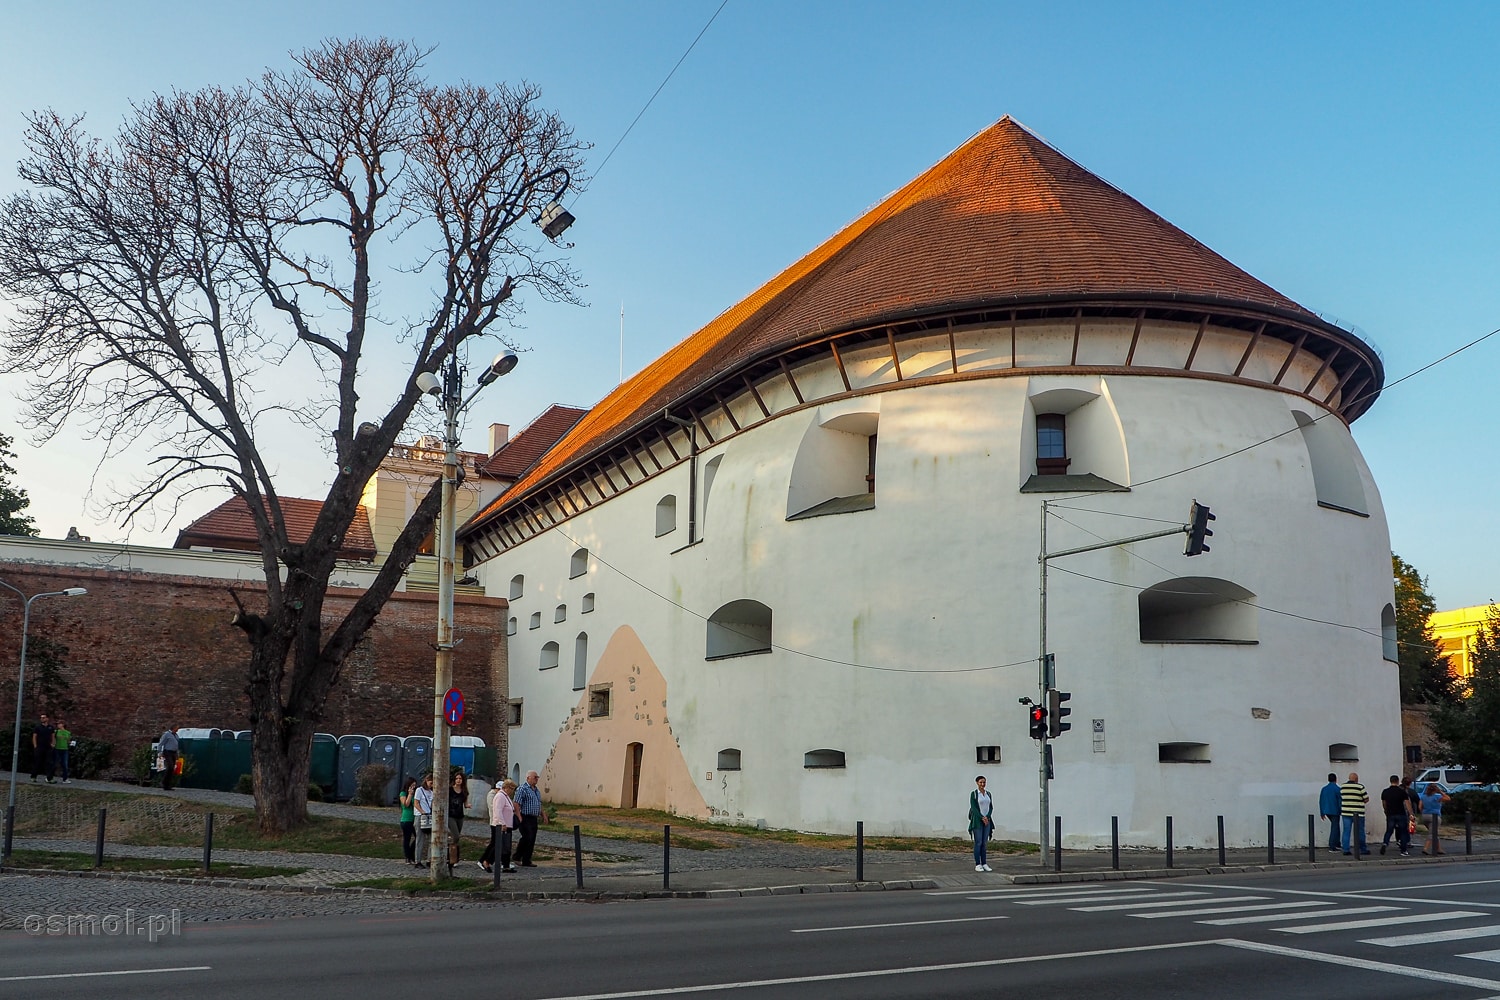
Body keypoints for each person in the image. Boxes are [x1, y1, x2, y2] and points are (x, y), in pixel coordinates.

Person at [480, 778, 519, 873]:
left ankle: (506, 865)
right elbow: (498, 811)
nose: (512, 791)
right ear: (507, 788)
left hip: (507, 825)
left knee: (506, 846)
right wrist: (502, 823)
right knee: (498, 845)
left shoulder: (505, 796)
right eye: (512, 789)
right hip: (500, 825)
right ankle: (487, 861)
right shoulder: (500, 796)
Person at [514, 769, 548, 867]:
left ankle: (527, 860)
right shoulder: (522, 789)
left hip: (534, 817)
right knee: (526, 837)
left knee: (532, 838)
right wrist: (519, 816)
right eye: (535, 777)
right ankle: (517, 856)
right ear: (528, 778)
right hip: (525, 816)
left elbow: (538, 804)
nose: (536, 779)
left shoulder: (536, 790)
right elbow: (516, 803)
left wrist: (543, 815)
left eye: (537, 777)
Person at [1379, 774, 1411, 856]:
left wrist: (1386, 811)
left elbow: (1384, 803)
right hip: (1401, 813)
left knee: (1389, 831)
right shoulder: (1402, 792)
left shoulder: (1385, 791)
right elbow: (1407, 804)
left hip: (1390, 814)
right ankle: (1403, 850)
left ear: (1390, 781)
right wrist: (1411, 813)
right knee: (1403, 832)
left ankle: (1385, 843)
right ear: (1397, 781)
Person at [968, 775, 994, 872]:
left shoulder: (988, 794)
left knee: (984, 843)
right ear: (977, 783)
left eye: (984, 782)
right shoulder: (974, 794)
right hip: (978, 821)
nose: (983, 784)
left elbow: (991, 807)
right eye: (981, 782)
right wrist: (981, 817)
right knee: (978, 842)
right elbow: (974, 808)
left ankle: (984, 863)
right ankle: (977, 863)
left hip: (987, 821)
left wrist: (987, 817)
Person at [1340, 772, 1369, 856]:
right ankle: (1362, 849)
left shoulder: (1342, 787)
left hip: (1346, 812)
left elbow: (1341, 797)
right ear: (1356, 779)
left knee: (1346, 831)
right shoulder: (1360, 787)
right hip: (1358, 813)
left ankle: (1345, 849)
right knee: (1360, 832)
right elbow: (1366, 799)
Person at [447, 770, 470, 875]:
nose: (458, 780)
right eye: (457, 778)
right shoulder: (450, 790)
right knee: (455, 836)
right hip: (450, 815)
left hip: (459, 816)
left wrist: (468, 805)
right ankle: (450, 854)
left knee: (457, 838)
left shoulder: (464, 791)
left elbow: (465, 803)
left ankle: (453, 857)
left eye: (460, 779)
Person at [1420, 782, 1451, 855]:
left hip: (1425, 816)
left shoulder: (1423, 797)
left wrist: (1423, 812)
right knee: (1432, 833)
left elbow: (1420, 806)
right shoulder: (1437, 797)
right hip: (1435, 816)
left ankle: (1439, 849)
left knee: (1434, 833)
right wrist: (1440, 792)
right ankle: (1425, 848)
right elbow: (1448, 799)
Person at [413, 773, 435, 868]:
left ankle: (429, 859)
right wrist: (422, 812)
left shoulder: (431, 792)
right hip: (420, 816)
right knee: (420, 839)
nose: (432, 785)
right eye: (431, 782)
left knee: (431, 839)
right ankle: (417, 861)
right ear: (426, 781)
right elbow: (416, 803)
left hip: (429, 817)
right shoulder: (419, 790)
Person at [398, 776, 419, 865]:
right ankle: (408, 857)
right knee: (407, 838)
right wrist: (410, 795)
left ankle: (411, 853)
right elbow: (406, 804)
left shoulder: (416, 794)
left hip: (415, 818)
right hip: (406, 819)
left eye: (415, 785)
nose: (413, 787)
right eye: (412, 785)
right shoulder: (403, 794)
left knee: (418, 837)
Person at [1319, 773, 1341, 851]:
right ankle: (1332, 845)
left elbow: (1321, 800)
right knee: (1335, 827)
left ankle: (1337, 843)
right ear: (1336, 779)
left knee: (1336, 826)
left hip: (1326, 810)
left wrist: (1322, 812)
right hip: (1335, 810)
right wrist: (1341, 810)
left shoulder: (1324, 789)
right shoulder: (1337, 789)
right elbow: (1340, 801)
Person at [30, 714, 56, 783]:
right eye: (41, 718)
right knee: (37, 762)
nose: (42, 719)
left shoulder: (51, 727)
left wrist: (53, 744)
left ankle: (49, 778)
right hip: (39, 747)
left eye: (44, 718)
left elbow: (53, 736)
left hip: (48, 747)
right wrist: (35, 746)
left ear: (47, 718)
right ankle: (33, 776)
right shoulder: (38, 727)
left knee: (49, 763)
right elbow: (34, 737)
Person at [159, 726, 180, 790]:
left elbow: (176, 745)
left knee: (172, 768)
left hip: (173, 752)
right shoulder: (166, 734)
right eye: (177, 728)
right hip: (168, 752)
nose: (178, 729)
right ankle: (163, 782)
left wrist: (177, 753)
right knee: (170, 766)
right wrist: (160, 752)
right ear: (173, 728)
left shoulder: (176, 735)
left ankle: (167, 785)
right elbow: (161, 743)